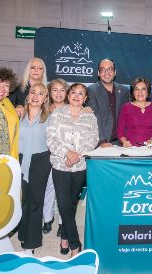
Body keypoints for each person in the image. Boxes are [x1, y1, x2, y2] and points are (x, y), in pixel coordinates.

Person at [47, 83, 98, 257]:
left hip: (80, 166)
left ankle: (65, 238)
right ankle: (76, 246)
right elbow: (51, 139)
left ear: (85, 98)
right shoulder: (56, 114)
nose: (76, 96)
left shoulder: (90, 117)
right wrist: (66, 154)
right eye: (73, 93)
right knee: (62, 204)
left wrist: (76, 155)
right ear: (68, 96)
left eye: (81, 94)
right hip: (60, 165)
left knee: (71, 204)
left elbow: (93, 140)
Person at [17, 83, 51, 255]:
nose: (36, 96)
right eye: (33, 92)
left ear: (45, 98)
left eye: (40, 93)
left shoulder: (50, 117)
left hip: (40, 160)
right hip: (20, 159)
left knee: (36, 202)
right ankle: (23, 234)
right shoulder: (18, 115)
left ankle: (31, 244)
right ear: (28, 95)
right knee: (23, 200)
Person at [42, 78, 69, 236]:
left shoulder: (72, 108)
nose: (58, 93)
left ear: (66, 93)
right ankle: (47, 218)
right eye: (54, 90)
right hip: (46, 153)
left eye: (62, 90)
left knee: (62, 189)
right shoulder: (44, 108)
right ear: (49, 92)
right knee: (48, 187)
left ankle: (62, 222)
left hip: (64, 154)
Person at [87, 58, 129, 147]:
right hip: (102, 143)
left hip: (122, 142)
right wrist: (102, 141)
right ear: (98, 73)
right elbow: (95, 117)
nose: (107, 73)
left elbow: (128, 116)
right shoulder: (92, 90)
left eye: (110, 69)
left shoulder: (124, 90)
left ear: (115, 72)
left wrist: (125, 139)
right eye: (103, 70)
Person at [118, 77, 152, 147]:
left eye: (143, 89)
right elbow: (120, 131)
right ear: (133, 92)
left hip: (151, 148)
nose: (140, 92)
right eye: (136, 89)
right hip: (131, 149)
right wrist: (125, 142)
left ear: (148, 92)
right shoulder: (126, 107)